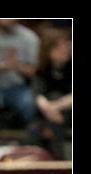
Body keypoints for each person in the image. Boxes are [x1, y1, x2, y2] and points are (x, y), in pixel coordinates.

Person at [30, 29, 72, 159]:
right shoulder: (43, 68)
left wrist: (55, 107)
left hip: (66, 111)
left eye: (67, 46)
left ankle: (59, 162)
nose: (66, 50)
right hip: (50, 114)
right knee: (35, 127)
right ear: (49, 50)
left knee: (50, 121)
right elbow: (38, 95)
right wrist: (49, 109)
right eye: (60, 47)